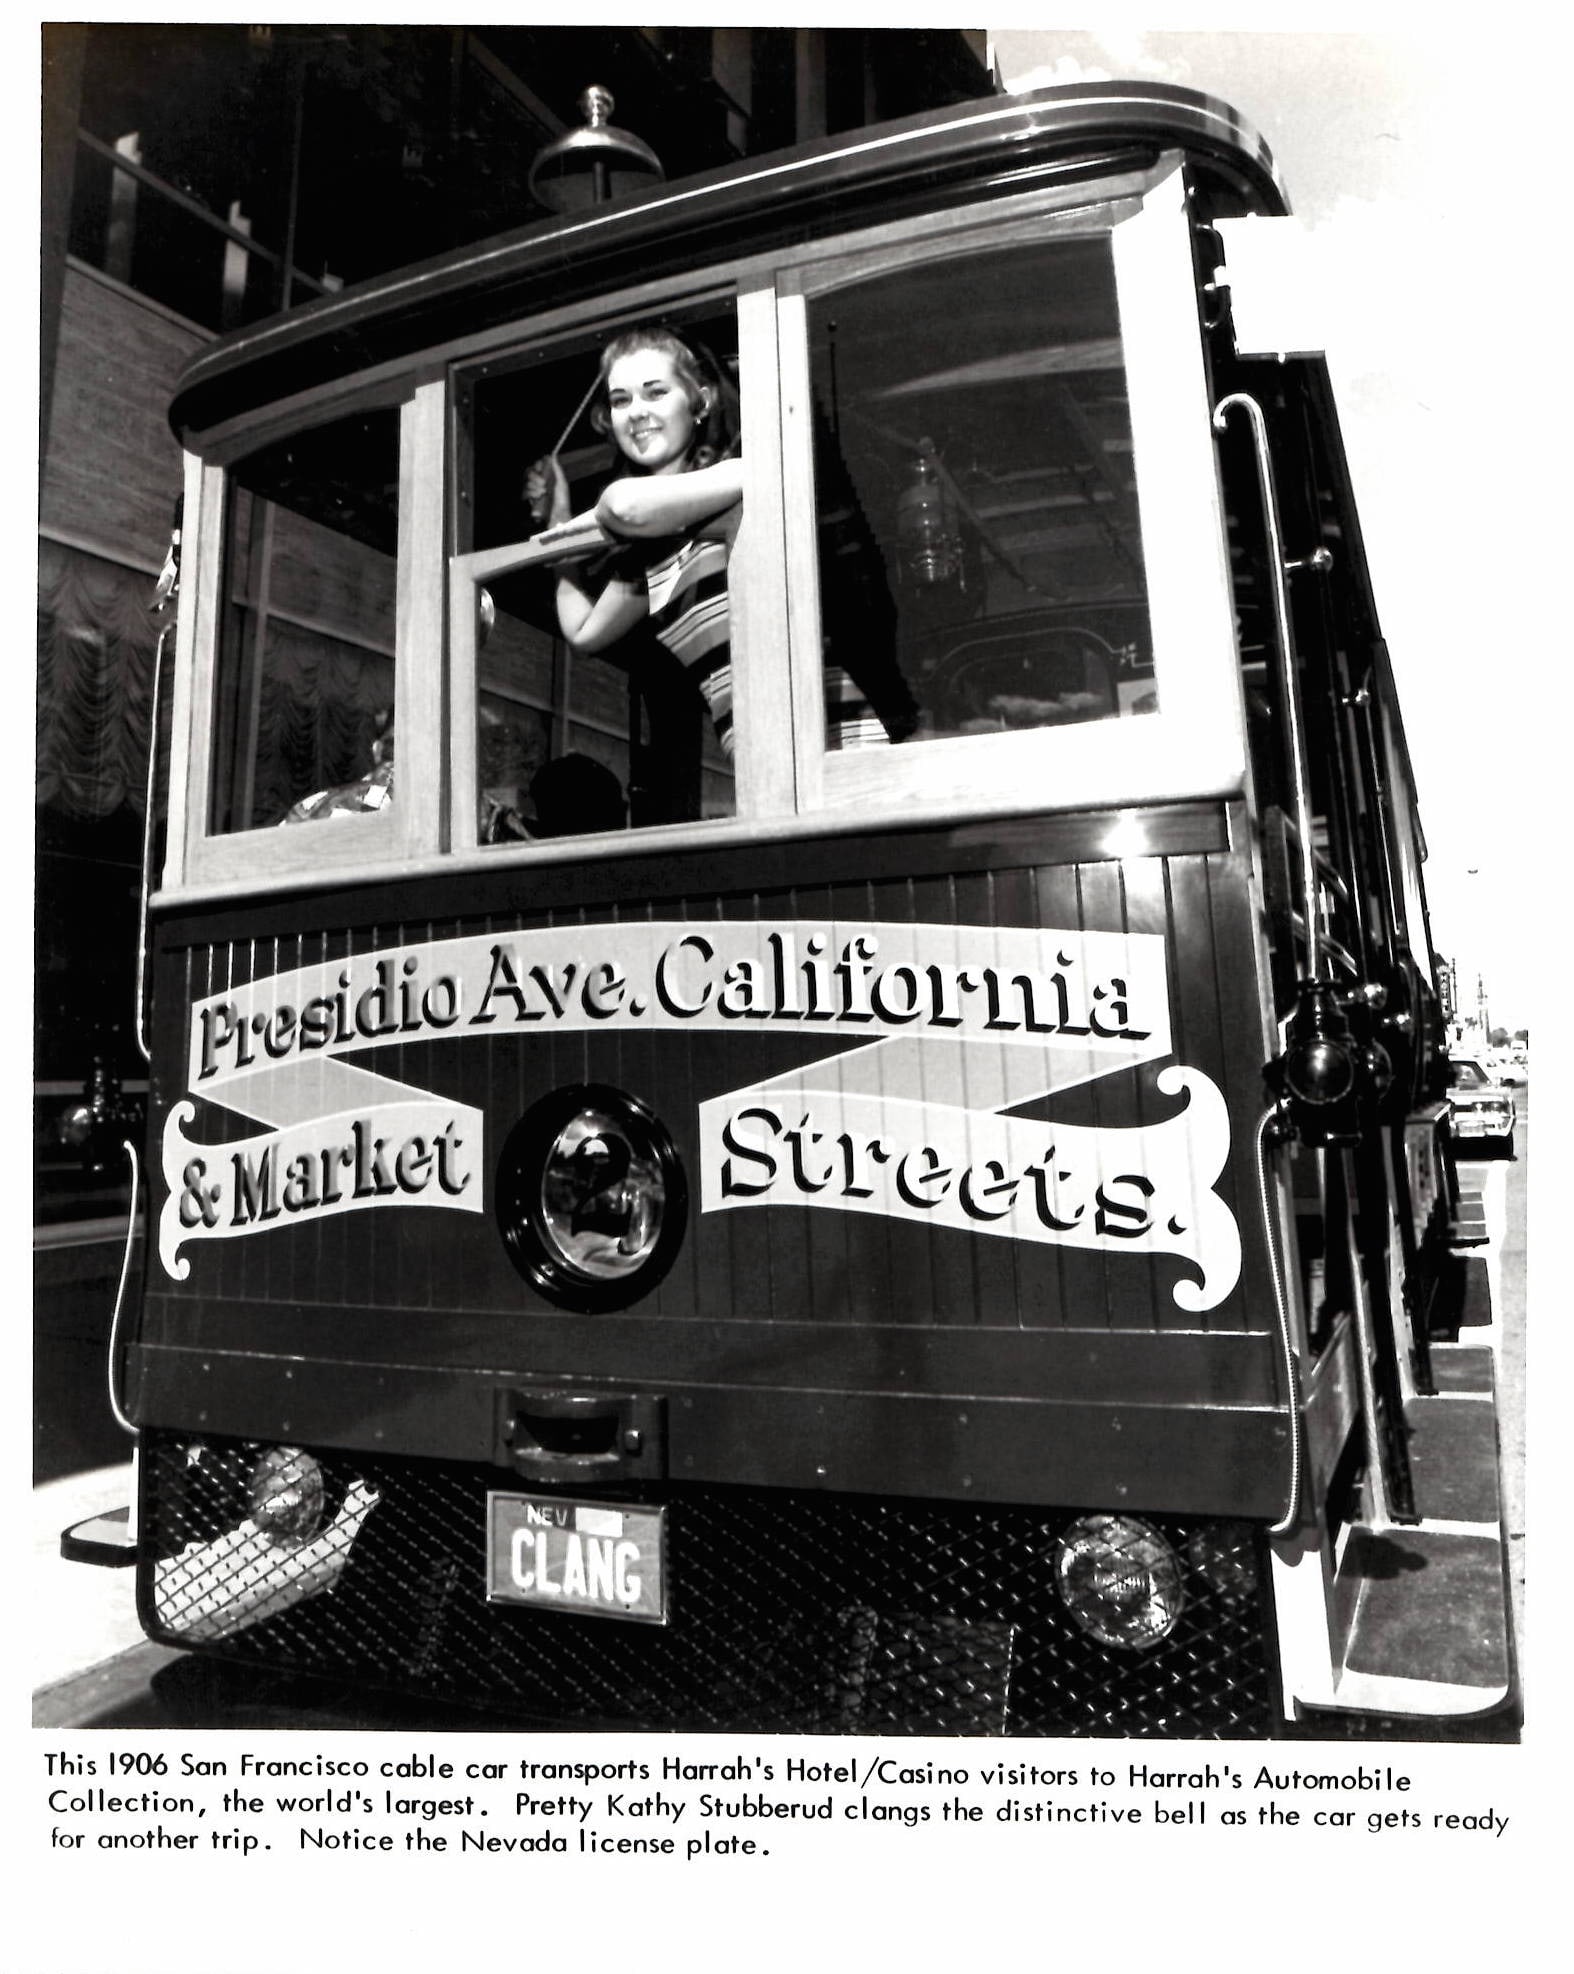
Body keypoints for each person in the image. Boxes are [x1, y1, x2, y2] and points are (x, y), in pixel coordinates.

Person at [525, 326, 744, 756]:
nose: (636, 411)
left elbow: (623, 507)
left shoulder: (736, 475)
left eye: (655, 393)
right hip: (750, 745)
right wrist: (559, 513)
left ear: (700, 402)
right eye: (621, 400)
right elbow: (584, 632)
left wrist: (581, 526)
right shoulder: (654, 547)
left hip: (827, 738)